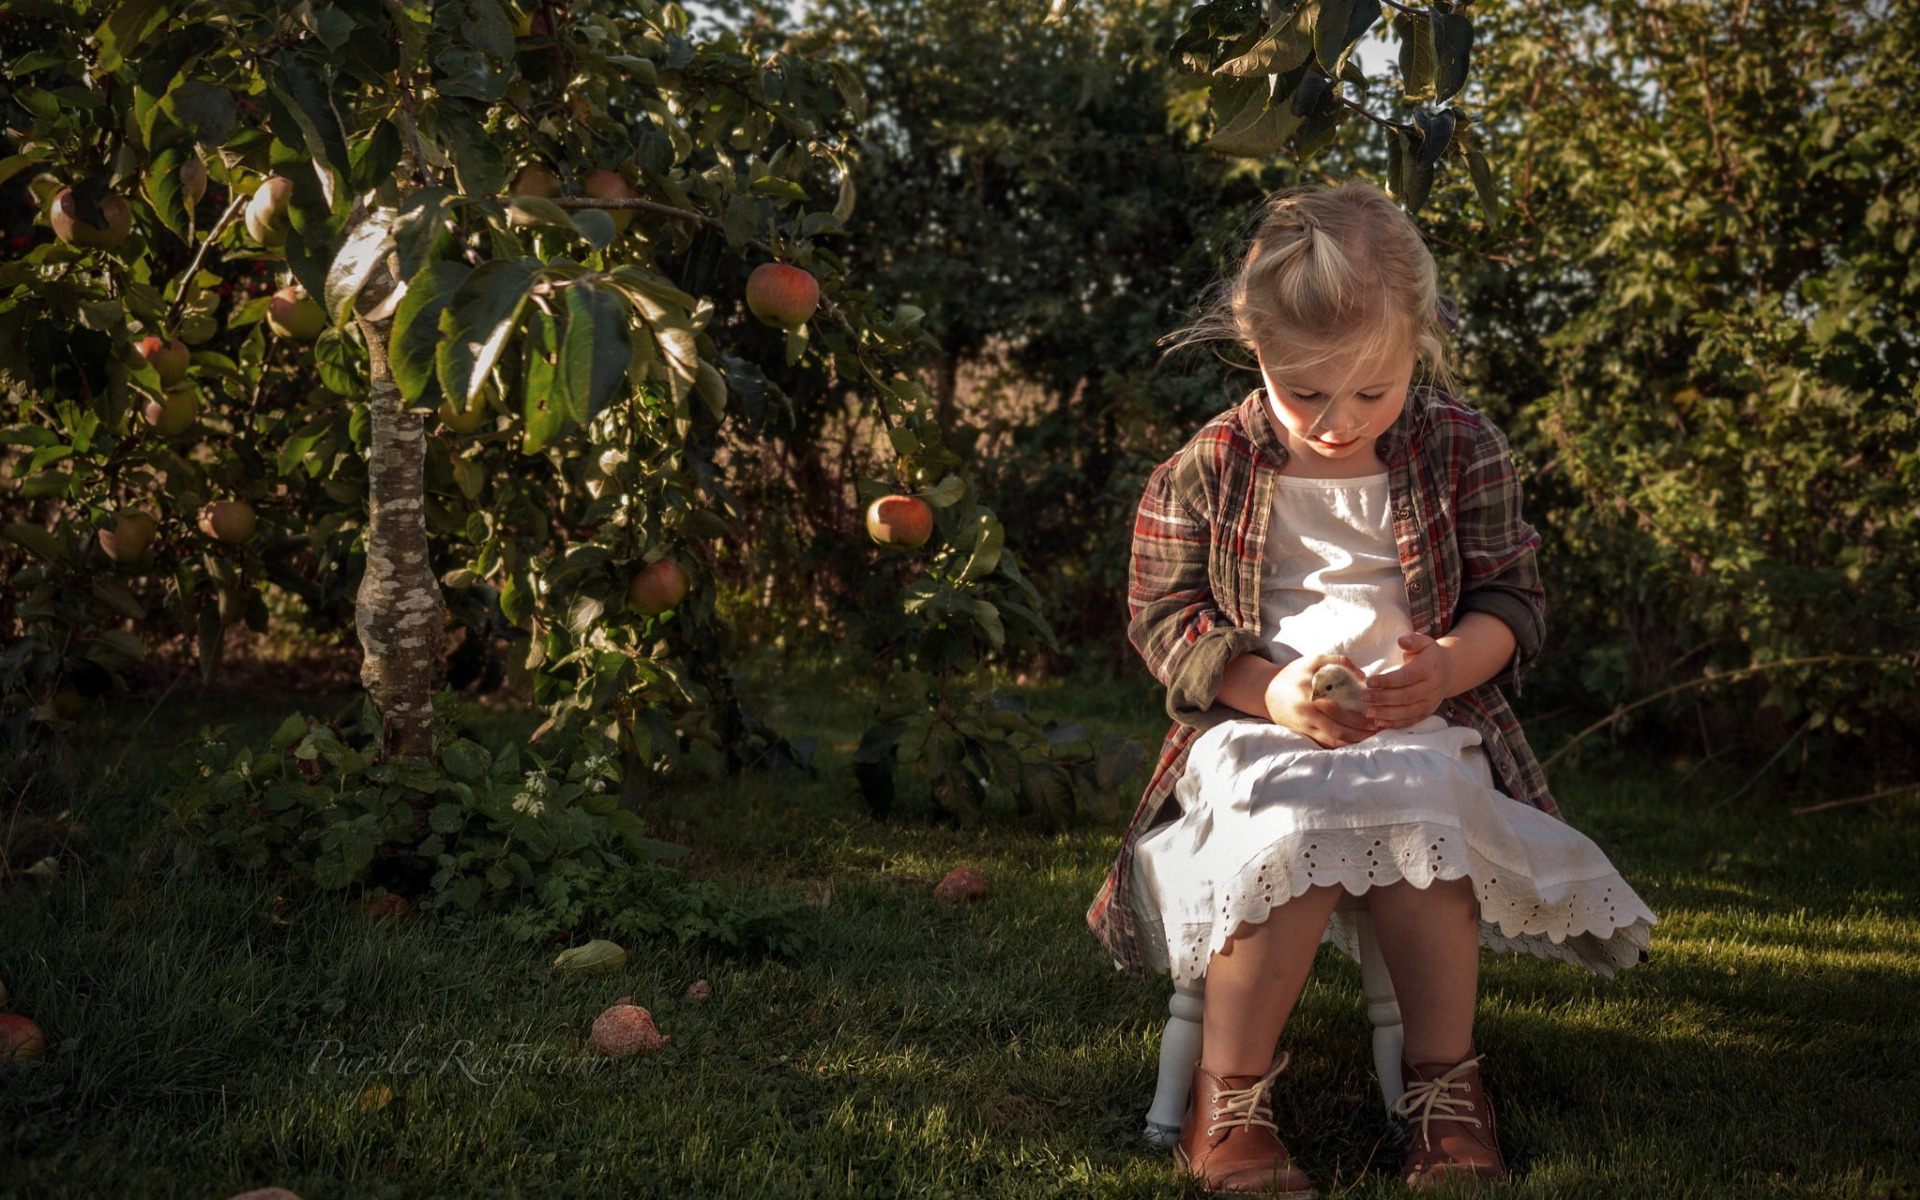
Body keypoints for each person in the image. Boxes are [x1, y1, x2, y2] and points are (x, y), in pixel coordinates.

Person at [1084, 181, 1656, 1196]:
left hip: (1420, 719)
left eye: (1371, 391)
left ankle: (1446, 1082)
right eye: (1306, 391)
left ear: (1419, 349)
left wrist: (1449, 664)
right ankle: (1231, 1097)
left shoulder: (1459, 445)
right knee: (1286, 813)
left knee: (1419, 810)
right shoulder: (1209, 465)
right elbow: (1163, 619)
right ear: (1254, 346)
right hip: (1257, 726)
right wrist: (1270, 691)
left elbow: (1510, 596)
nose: (1338, 421)